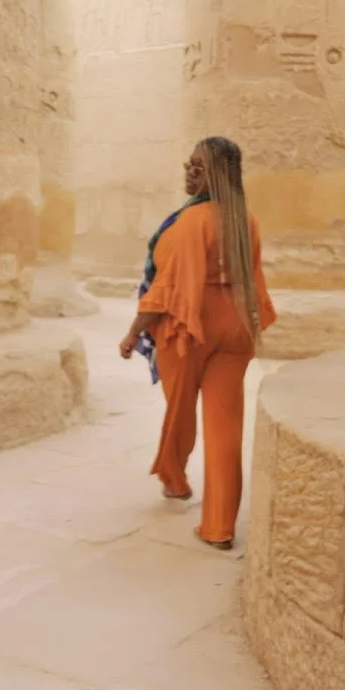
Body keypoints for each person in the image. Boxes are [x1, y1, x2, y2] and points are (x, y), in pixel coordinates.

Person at [119, 136, 276, 550]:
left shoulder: (191, 221)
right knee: (225, 426)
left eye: (199, 168)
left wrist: (134, 331)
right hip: (236, 326)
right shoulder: (247, 220)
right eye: (188, 165)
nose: (189, 173)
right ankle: (219, 527)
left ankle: (174, 479)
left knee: (180, 409)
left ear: (218, 175)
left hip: (189, 326)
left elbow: (166, 289)